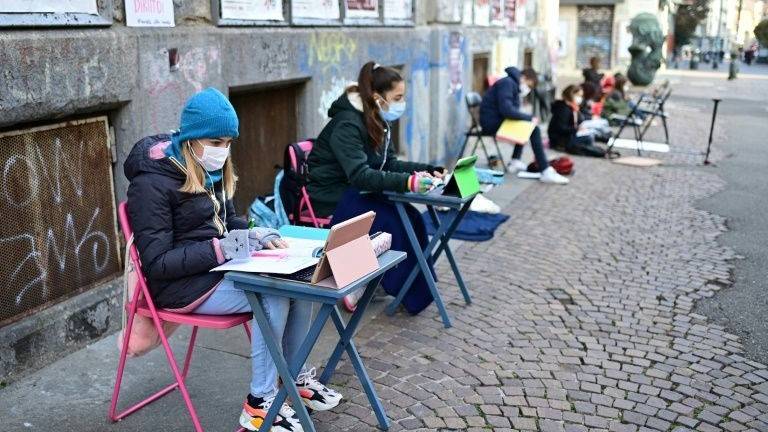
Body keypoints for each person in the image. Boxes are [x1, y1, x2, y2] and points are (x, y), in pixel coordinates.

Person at [124, 87, 342, 432]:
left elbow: (230, 222)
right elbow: (157, 262)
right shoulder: (151, 184)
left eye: (228, 142)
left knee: (301, 281)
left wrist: (257, 234)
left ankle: (294, 377)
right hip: (180, 287)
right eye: (216, 141)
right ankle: (258, 404)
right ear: (192, 139)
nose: (223, 150)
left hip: (217, 271)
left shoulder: (207, 170)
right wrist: (222, 249)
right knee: (272, 293)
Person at [307, 61, 445, 314]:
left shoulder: (376, 119)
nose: (401, 103)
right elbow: (360, 175)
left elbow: (389, 163)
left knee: (412, 216)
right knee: (392, 220)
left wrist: (427, 168)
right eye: (398, 97)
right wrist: (407, 182)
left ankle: (406, 287)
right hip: (330, 195)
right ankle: (356, 282)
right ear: (377, 97)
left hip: (356, 190)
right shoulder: (348, 124)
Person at [479, 66, 569, 184]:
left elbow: (510, 110)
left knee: (527, 125)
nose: (528, 89)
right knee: (533, 128)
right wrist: (529, 118)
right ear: (524, 78)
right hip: (491, 123)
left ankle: (516, 160)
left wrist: (526, 119)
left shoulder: (512, 84)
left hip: (496, 120)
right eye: (529, 85)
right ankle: (545, 170)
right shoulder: (507, 83)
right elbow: (507, 110)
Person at [548, 85, 606, 158]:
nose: (580, 98)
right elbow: (561, 128)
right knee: (589, 137)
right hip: (560, 139)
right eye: (578, 95)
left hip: (569, 135)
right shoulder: (564, 109)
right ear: (571, 95)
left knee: (592, 133)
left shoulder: (573, 107)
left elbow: (579, 120)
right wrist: (576, 129)